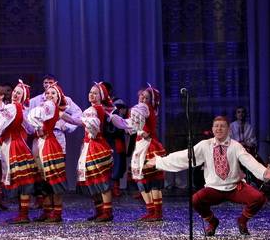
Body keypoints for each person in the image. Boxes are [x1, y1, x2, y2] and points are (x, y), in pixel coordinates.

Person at [145, 116, 270, 235]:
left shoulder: (236, 146)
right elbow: (185, 156)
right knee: (195, 200)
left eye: (222, 126)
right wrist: (159, 161)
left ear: (229, 130)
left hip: (235, 187)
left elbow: (248, 160)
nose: (219, 129)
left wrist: (263, 172)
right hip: (214, 188)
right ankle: (212, 222)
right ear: (212, 129)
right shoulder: (205, 145)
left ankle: (242, 221)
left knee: (259, 198)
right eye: (216, 126)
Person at [70, 82, 130, 222]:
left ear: (101, 96)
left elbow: (92, 126)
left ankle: (107, 212)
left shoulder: (97, 109)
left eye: (95, 93)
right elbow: (78, 121)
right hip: (89, 146)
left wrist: (62, 115)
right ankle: (100, 211)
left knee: (101, 181)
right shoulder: (96, 109)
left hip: (96, 146)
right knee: (92, 181)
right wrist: (62, 115)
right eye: (90, 92)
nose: (91, 95)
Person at [0, 79, 39, 224]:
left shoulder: (12, 107)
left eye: (19, 93)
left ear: (23, 97)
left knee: (20, 180)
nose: (15, 95)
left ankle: (23, 215)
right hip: (18, 145)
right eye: (15, 92)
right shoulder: (21, 110)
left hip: (14, 146)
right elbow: (31, 128)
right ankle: (23, 214)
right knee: (22, 180)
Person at [27, 82, 70, 222]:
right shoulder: (44, 108)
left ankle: (57, 213)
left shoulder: (52, 108)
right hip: (41, 143)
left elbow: (73, 120)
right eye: (47, 93)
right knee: (43, 179)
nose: (49, 95)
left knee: (54, 179)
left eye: (53, 93)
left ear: (58, 97)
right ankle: (47, 211)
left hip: (50, 144)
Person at [127, 85, 167, 221]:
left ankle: (157, 213)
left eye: (146, 98)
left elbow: (137, 114)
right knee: (141, 180)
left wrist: (137, 128)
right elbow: (132, 125)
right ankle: (151, 211)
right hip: (140, 146)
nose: (143, 99)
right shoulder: (141, 108)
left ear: (151, 100)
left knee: (153, 180)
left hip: (149, 146)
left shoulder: (145, 108)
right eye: (141, 96)